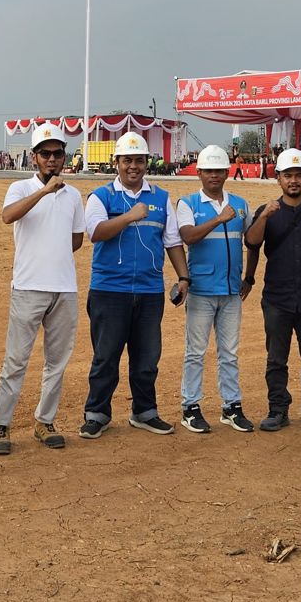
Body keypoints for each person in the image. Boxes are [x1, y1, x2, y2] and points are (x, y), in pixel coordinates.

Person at [79, 132, 189, 438]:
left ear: (146, 162)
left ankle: (145, 411)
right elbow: (96, 232)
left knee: (146, 357)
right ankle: (96, 413)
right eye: (127, 160)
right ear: (116, 162)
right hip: (109, 290)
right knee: (106, 356)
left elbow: (173, 242)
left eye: (139, 160)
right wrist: (129, 216)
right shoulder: (101, 197)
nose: (133, 166)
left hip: (149, 291)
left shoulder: (161, 198)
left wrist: (183, 277)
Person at [0, 123, 85, 454]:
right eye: (45, 153)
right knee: (16, 360)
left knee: (56, 361)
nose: (52, 159)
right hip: (28, 286)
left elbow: (76, 238)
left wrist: (54, 253)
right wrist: (45, 191)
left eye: (58, 153)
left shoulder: (73, 195)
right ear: (34, 157)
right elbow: (7, 216)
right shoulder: (20, 188)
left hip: (64, 288)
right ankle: (2, 424)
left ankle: (44, 421)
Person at [244, 149, 301, 433]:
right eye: (288, 176)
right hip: (277, 298)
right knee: (276, 358)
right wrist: (263, 217)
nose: (294, 181)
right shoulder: (267, 211)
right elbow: (251, 243)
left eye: (299, 175)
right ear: (278, 179)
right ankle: (278, 409)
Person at [176, 145, 254, 433]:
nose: (214, 176)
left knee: (229, 353)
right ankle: (190, 407)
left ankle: (231, 406)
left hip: (232, 291)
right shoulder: (188, 204)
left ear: (226, 173)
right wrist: (219, 219)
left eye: (219, 170)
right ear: (199, 173)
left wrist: (251, 277)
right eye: (208, 171)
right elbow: (188, 237)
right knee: (195, 352)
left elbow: (253, 241)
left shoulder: (241, 204)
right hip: (201, 291)